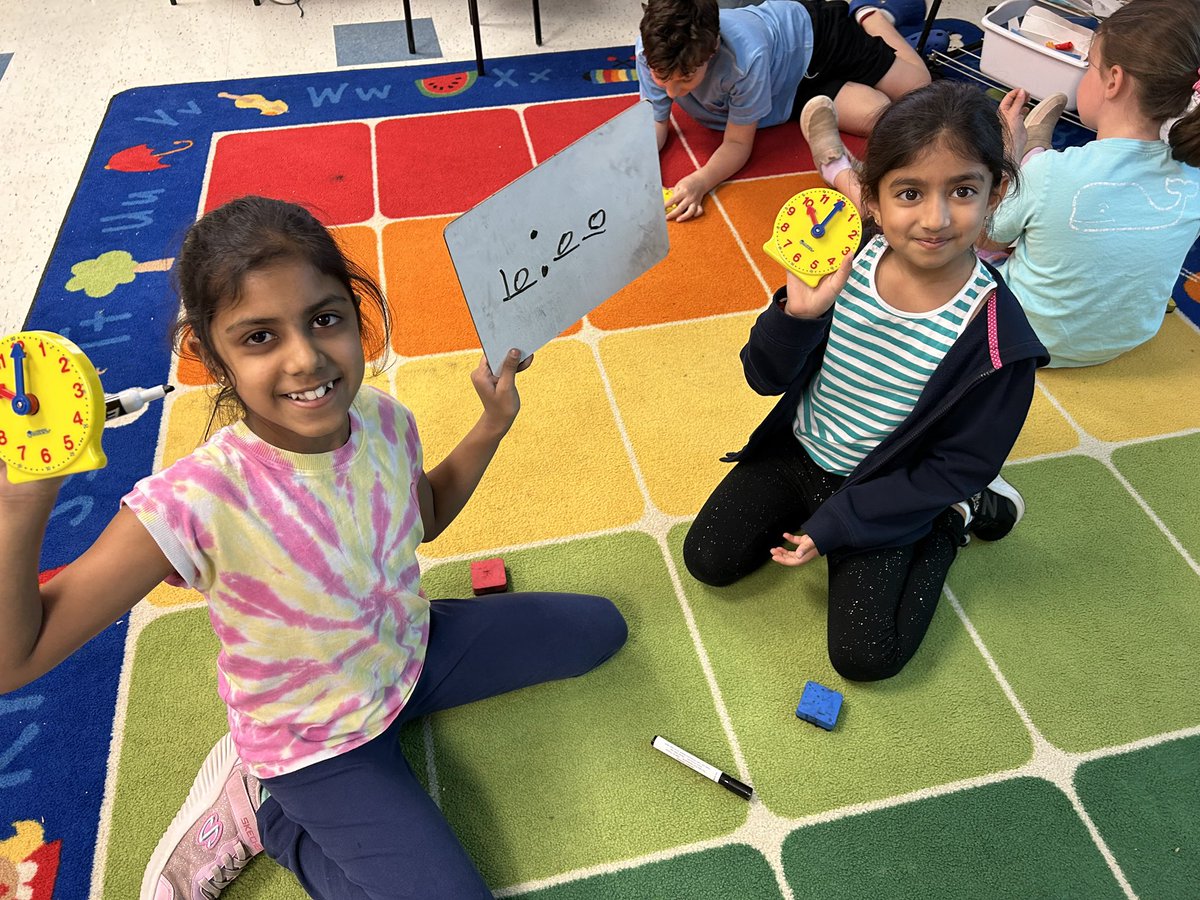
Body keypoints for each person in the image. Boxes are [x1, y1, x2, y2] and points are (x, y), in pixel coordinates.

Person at [0, 196, 627, 899]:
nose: (305, 358)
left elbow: (425, 516)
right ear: (211, 357)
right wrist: (21, 502)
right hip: (311, 744)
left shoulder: (385, 419)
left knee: (602, 629)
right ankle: (271, 816)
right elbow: (13, 658)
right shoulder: (193, 500)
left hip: (409, 654)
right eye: (260, 337)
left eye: (324, 319)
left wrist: (493, 423)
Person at [683, 81, 1049, 681]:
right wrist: (795, 319)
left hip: (891, 487)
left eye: (962, 190)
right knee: (707, 559)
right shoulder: (841, 266)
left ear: (996, 193)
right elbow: (762, 377)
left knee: (865, 657)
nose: (935, 218)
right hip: (799, 453)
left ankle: (956, 519)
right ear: (872, 200)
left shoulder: (995, 337)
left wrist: (836, 526)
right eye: (909, 193)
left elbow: (954, 464)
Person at [986, 0, 1200, 367]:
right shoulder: (1194, 179)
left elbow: (988, 235)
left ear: (1113, 81)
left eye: (1089, 67)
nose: (1084, 77)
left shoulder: (1055, 173)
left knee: (961, 230)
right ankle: (1035, 147)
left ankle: (1028, 148)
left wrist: (1004, 158)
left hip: (1020, 337)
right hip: (1124, 338)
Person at [636, 0, 930, 221]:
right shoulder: (649, 52)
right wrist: (639, 171)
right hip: (785, 92)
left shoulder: (745, 58)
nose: (671, 92)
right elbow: (655, 122)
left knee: (919, 88)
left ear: (712, 50)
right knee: (881, 113)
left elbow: (737, 144)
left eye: (685, 78)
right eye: (661, 77)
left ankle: (872, 14)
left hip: (818, 42)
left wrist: (700, 180)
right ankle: (852, 81)